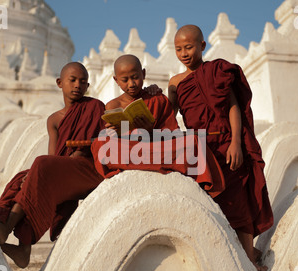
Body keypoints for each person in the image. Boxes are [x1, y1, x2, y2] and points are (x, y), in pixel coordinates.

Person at [168, 25, 274, 271]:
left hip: (225, 144)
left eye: (189, 47)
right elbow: (169, 117)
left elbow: (233, 108)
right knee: (209, 202)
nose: (184, 53)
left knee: (238, 199)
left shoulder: (217, 71)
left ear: (202, 46)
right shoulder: (175, 83)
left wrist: (236, 142)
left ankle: (248, 256)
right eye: (179, 49)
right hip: (199, 149)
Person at [0, 62, 106, 269]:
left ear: (88, 86)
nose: (78, 84)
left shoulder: (95, 106)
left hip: (88, 169)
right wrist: (36, 174)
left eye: (83, 81)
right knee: (22, 179)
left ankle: (5, 228)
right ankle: (24, 250)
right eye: (73, 80)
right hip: (65, 169)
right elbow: (55, 155)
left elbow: (92, 144)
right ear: (60, 83)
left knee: (40, 165)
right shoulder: (53, 120)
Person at [91, 54, 225, 197]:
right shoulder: (113, 105)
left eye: (135, 77)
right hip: (131, 150)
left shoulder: (157, 99)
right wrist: (114, 134)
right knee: (100, 144)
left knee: (193, 142)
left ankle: (131, 163)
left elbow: (172, 133)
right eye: (125, 80)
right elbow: (116, 140)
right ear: (116, 80)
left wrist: (150, 131)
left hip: (155, 148)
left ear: (143, 74)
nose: (131, 84)